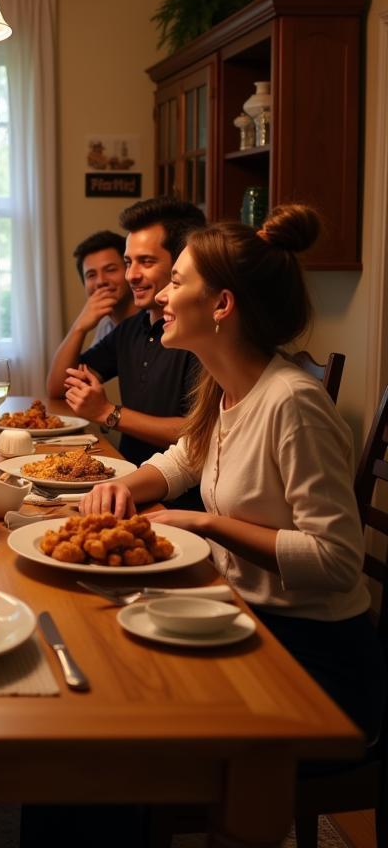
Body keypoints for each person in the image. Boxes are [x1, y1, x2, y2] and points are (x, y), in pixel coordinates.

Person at [81, 205, 385, 747]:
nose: (164, 298)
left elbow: (338, 561)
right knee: (103, 676)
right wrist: (120, 486)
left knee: (113, 728)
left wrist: (206, 525)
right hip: (244, 618)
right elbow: (183, 458)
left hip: (313, 661)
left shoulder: (292, 403)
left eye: (176, 281)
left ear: (221, 304)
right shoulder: (228, 388)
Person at [47, 196, 205, 467]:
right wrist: (80, 326)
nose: (131, 275)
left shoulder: (200, 334)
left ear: (181, 263)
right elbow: (59, 387)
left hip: (177, 496)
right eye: (129, 262)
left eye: (146, 261)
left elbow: (198, 432)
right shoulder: (131, 328)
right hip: (128, 475)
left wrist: (109, 413)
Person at [70, 229, 136, 348]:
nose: (100, 281)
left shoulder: (153, 319)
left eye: (110, 270)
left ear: (130, 271)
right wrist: (79, 327)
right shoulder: (106, 324)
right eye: (91, 275)